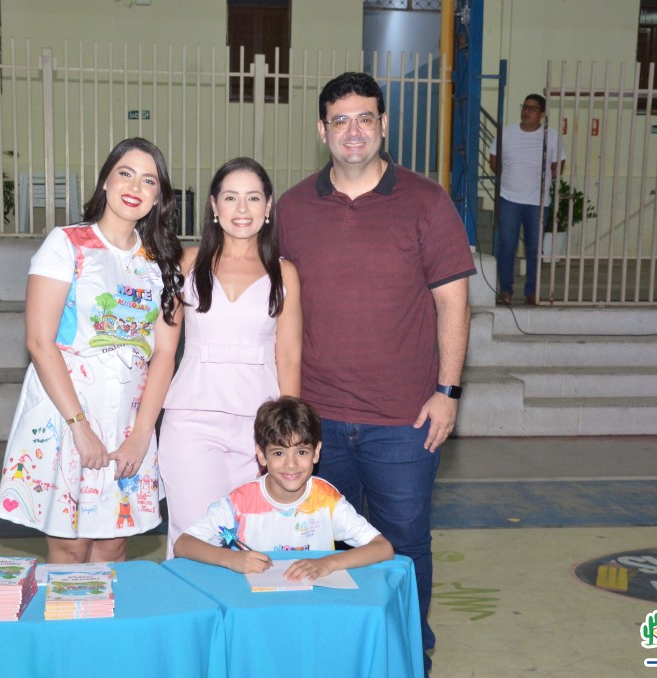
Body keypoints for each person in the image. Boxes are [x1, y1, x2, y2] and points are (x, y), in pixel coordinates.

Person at [275, 71, 475, 668]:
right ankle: (347, 654)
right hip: (318, 423)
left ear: (384, 125)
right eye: (340, 120)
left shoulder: (426, 201)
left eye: (365, 118)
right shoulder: (293, 208)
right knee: (327, 546)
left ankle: (409, 655)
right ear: (322, 130)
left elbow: (454, 303)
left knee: (404, 545)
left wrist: (447, 392)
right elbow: (265, 294)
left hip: (404, 422)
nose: (353, 131)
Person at [0, 138, 184, 564]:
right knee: (71, 544)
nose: (135, 186)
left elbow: (164, 355)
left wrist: (140, 437)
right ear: (105, 181)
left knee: (114, 543)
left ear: (158, 197)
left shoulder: (163, 263)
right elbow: (39, 342)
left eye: (148, 180)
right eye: (125, 174)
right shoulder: (67, 244)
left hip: (127, 421)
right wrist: (79, 426)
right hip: (67, 414)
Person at [159, 157, 302, 558]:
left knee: (256, 541)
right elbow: (164, 352)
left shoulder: (284, 273)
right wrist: (139, 431)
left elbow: (289, 356)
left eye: (253, 198)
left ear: (268, 206)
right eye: (231, 197)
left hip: (260, 425)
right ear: (214, 205)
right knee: (196, 538)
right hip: (191, 421)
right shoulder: (188, 263)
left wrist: (290, 435)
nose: (242, 209)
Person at [174, 396, 393, 581]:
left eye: (301, 452)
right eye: (279, 453)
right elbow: (183, 545)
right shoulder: (240, 503)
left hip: (311, 602)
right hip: (255, 603)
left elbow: (383, 548)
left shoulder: (326, 500)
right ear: (261, 455)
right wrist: (231, 559)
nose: (291, 464)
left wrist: (328, 563)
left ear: (316, 452)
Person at [488, 93, 566, 305]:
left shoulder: (552, 137)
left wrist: (542, 179)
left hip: (537, 202)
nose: (526, 111)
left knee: (534, 248)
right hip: (509, 198)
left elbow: (558, 165)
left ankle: (532, 291)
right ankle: (506, 291)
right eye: (525, 107)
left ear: (542, 113)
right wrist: (510, 176)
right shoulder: (507, 133)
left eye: (532, 108)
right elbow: (494, 160)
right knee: (506, 245)